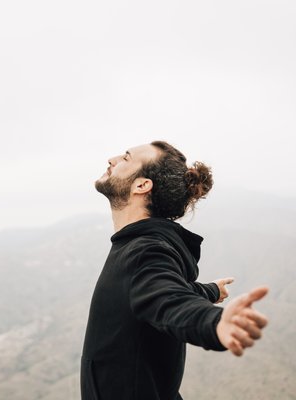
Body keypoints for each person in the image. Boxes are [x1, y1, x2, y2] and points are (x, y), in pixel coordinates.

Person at [80, 141, 268, 400]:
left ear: (142, 185)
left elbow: (168, 299)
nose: (111, 159)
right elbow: (157, 289)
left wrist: (214, 323)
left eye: (125, 157)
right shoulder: (145, 245)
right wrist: (209, 291)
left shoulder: (143, 251)